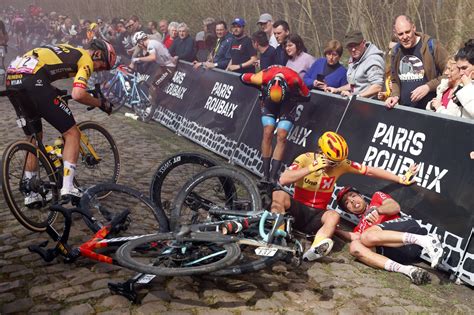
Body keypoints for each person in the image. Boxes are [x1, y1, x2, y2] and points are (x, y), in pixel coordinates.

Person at [271, 131, 420, 261]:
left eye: (338, 162)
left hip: (317, 215)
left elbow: (369, 170)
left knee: (334, 215)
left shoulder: (342, 164)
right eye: (332, 161)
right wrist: (311, 168)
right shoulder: (306, 158)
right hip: (298, 208)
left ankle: (316, 249)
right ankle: (277, 237)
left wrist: (400, 178)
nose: (335, 165)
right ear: (322, 152)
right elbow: (284, 179)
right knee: (278, 194)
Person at [5, 40, 116, 202]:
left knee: (34, 138)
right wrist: (101, 103)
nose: (99, 71)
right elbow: (78, 94)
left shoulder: (69, 48)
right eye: (103, 66)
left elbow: (44, 65)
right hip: (33, 78)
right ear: (98, 54)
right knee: (72, 133)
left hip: (13, 77)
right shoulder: (85, 58)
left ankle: (32, 193)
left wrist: (52, 91)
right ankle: (68, 187)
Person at [336, 187, 444, 285]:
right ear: (348, 210)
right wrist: (335, 230)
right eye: (347, 203)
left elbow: (395, 207)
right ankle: (408, 270)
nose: (352, 201)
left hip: (410, 230)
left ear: (361, 196)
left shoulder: (376, 197)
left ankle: (427, 240)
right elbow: (354, 236)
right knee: (355, 246)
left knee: (366, 236)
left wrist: (377, 210)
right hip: (403, 252)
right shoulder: (359, 227)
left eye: (353, 196)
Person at [240, 65, 311, 183]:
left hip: (288, 102)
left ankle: (273, 177)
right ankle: (265, 174)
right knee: (268, 132)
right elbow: (242, 78)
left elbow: (307, 96)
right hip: (269, 101)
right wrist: (259, 87)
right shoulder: (261, 77)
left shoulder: (295, 79)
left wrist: (294, 96)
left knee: (282, 135)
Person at [385, 15, 449, 109]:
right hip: (405, 110)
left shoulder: (431, 46)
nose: (405, 37)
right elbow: (394, 80)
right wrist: (395, 96)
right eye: (400, 34)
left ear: (414, 28)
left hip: (429, 110)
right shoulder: (396, 51)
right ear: (395, 34)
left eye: (407, 32)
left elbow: (450, 74)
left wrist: (428, 87)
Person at [326, 30, 384, 98]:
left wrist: (356, 97)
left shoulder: (373, 60)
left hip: (370, 104)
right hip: (356, 103)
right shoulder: (353, 60)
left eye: (356, 45)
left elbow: (377, 86)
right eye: (350, 46)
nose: (353, 49)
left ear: (364, 43)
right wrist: (336, 90)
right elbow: (352, 84)